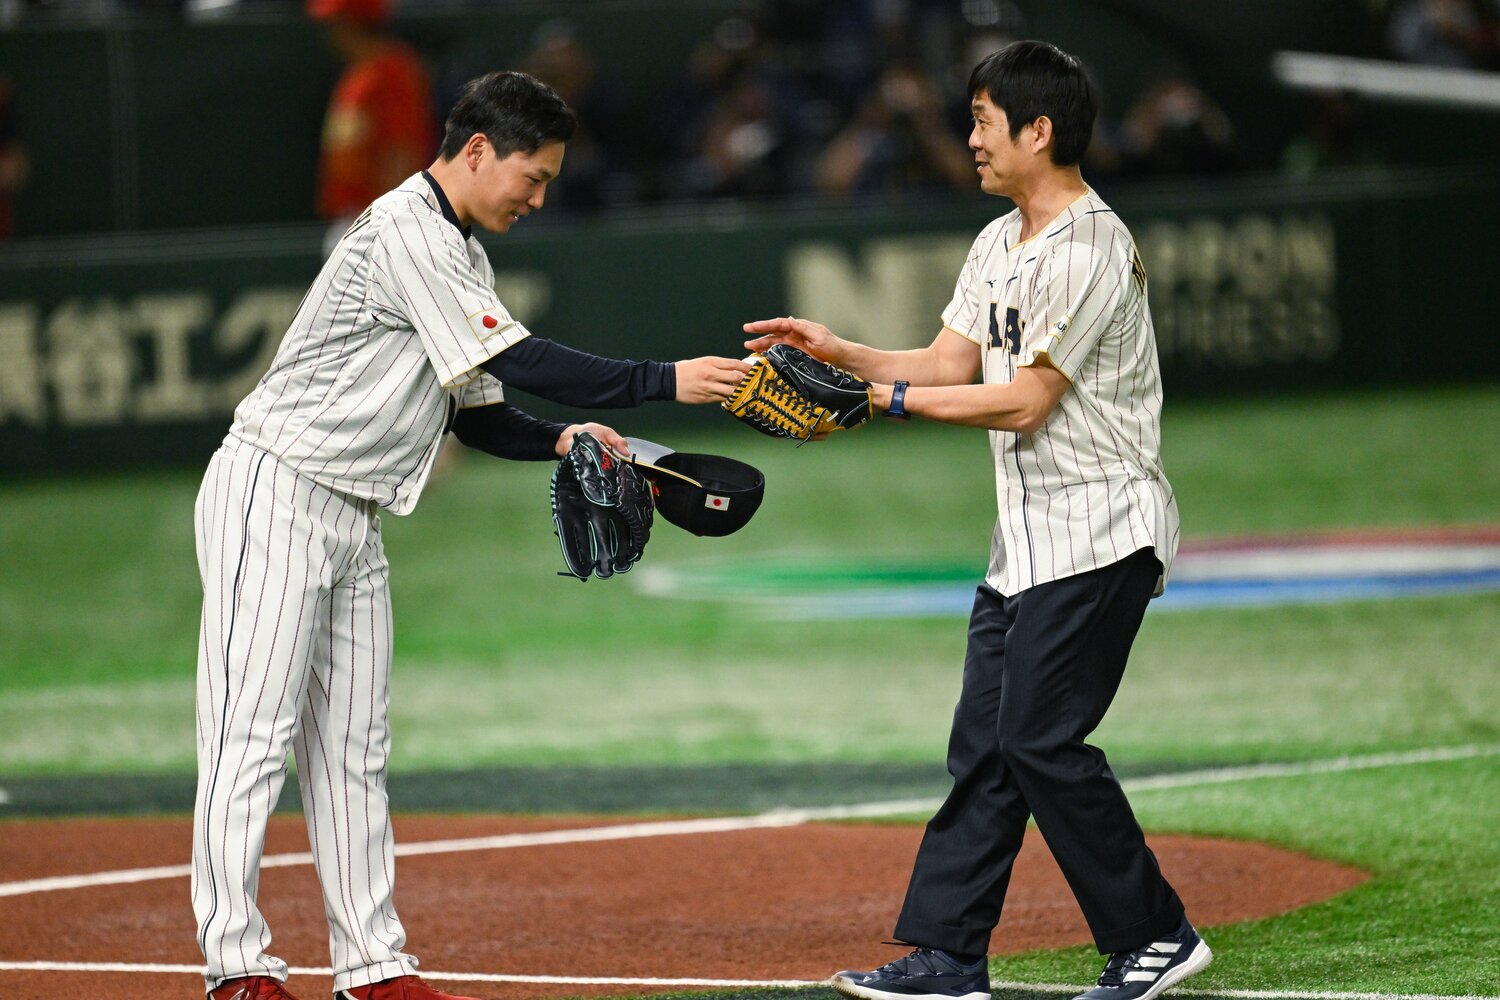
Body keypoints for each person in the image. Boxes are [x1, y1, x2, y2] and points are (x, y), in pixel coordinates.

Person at [191, 70, 750, 1000]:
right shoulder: (407, 228)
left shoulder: (462, 259)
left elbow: (482, 416)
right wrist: (663, 378)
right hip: (273, 493)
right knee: (249, 737)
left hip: (354, 514)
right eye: (533, 176)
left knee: (351, 751)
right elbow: (524, 358)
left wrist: (565, 437)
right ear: (478, 149)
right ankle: (234, 967)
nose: (539, 197)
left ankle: (372, 968)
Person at [744, 41, 1209, 1000]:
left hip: (1102, 532)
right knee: (989, 748)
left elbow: (1026, 401)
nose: (971, 141)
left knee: (1040, 740)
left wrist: (879, 408)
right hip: (1024, 544)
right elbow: (951, 365)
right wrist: (849, 355)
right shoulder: (1000, 240)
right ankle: (951, 955)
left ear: (1040, 131)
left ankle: (1156, 934)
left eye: (985, 123)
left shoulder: (1089, 249)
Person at [309, 0, 437, 250]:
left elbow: (401, 152)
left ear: (352, 24)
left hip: (379, 223)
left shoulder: (392, 70)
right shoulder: (359, 71)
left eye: (337, 22)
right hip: (354, 219)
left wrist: (393, 223)